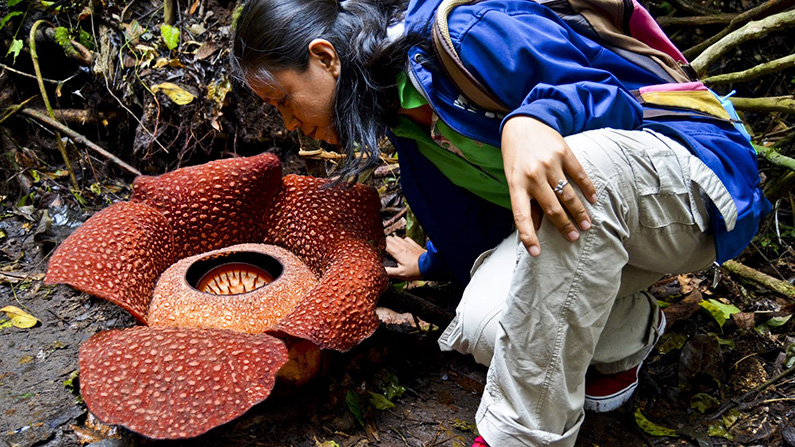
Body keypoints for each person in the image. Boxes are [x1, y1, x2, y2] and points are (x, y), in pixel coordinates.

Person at [231, 0, 770, 445]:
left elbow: (613, 97)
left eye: (283, 100)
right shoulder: (403, 120)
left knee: (583, 167)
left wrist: (536, 118)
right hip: (600, 229)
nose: (290, 124)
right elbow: (490, 219)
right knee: (485, 321)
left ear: (325, 58)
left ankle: (521, 435)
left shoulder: (464, 33)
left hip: (692, 180)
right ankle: (625, 332)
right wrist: (433, 261)